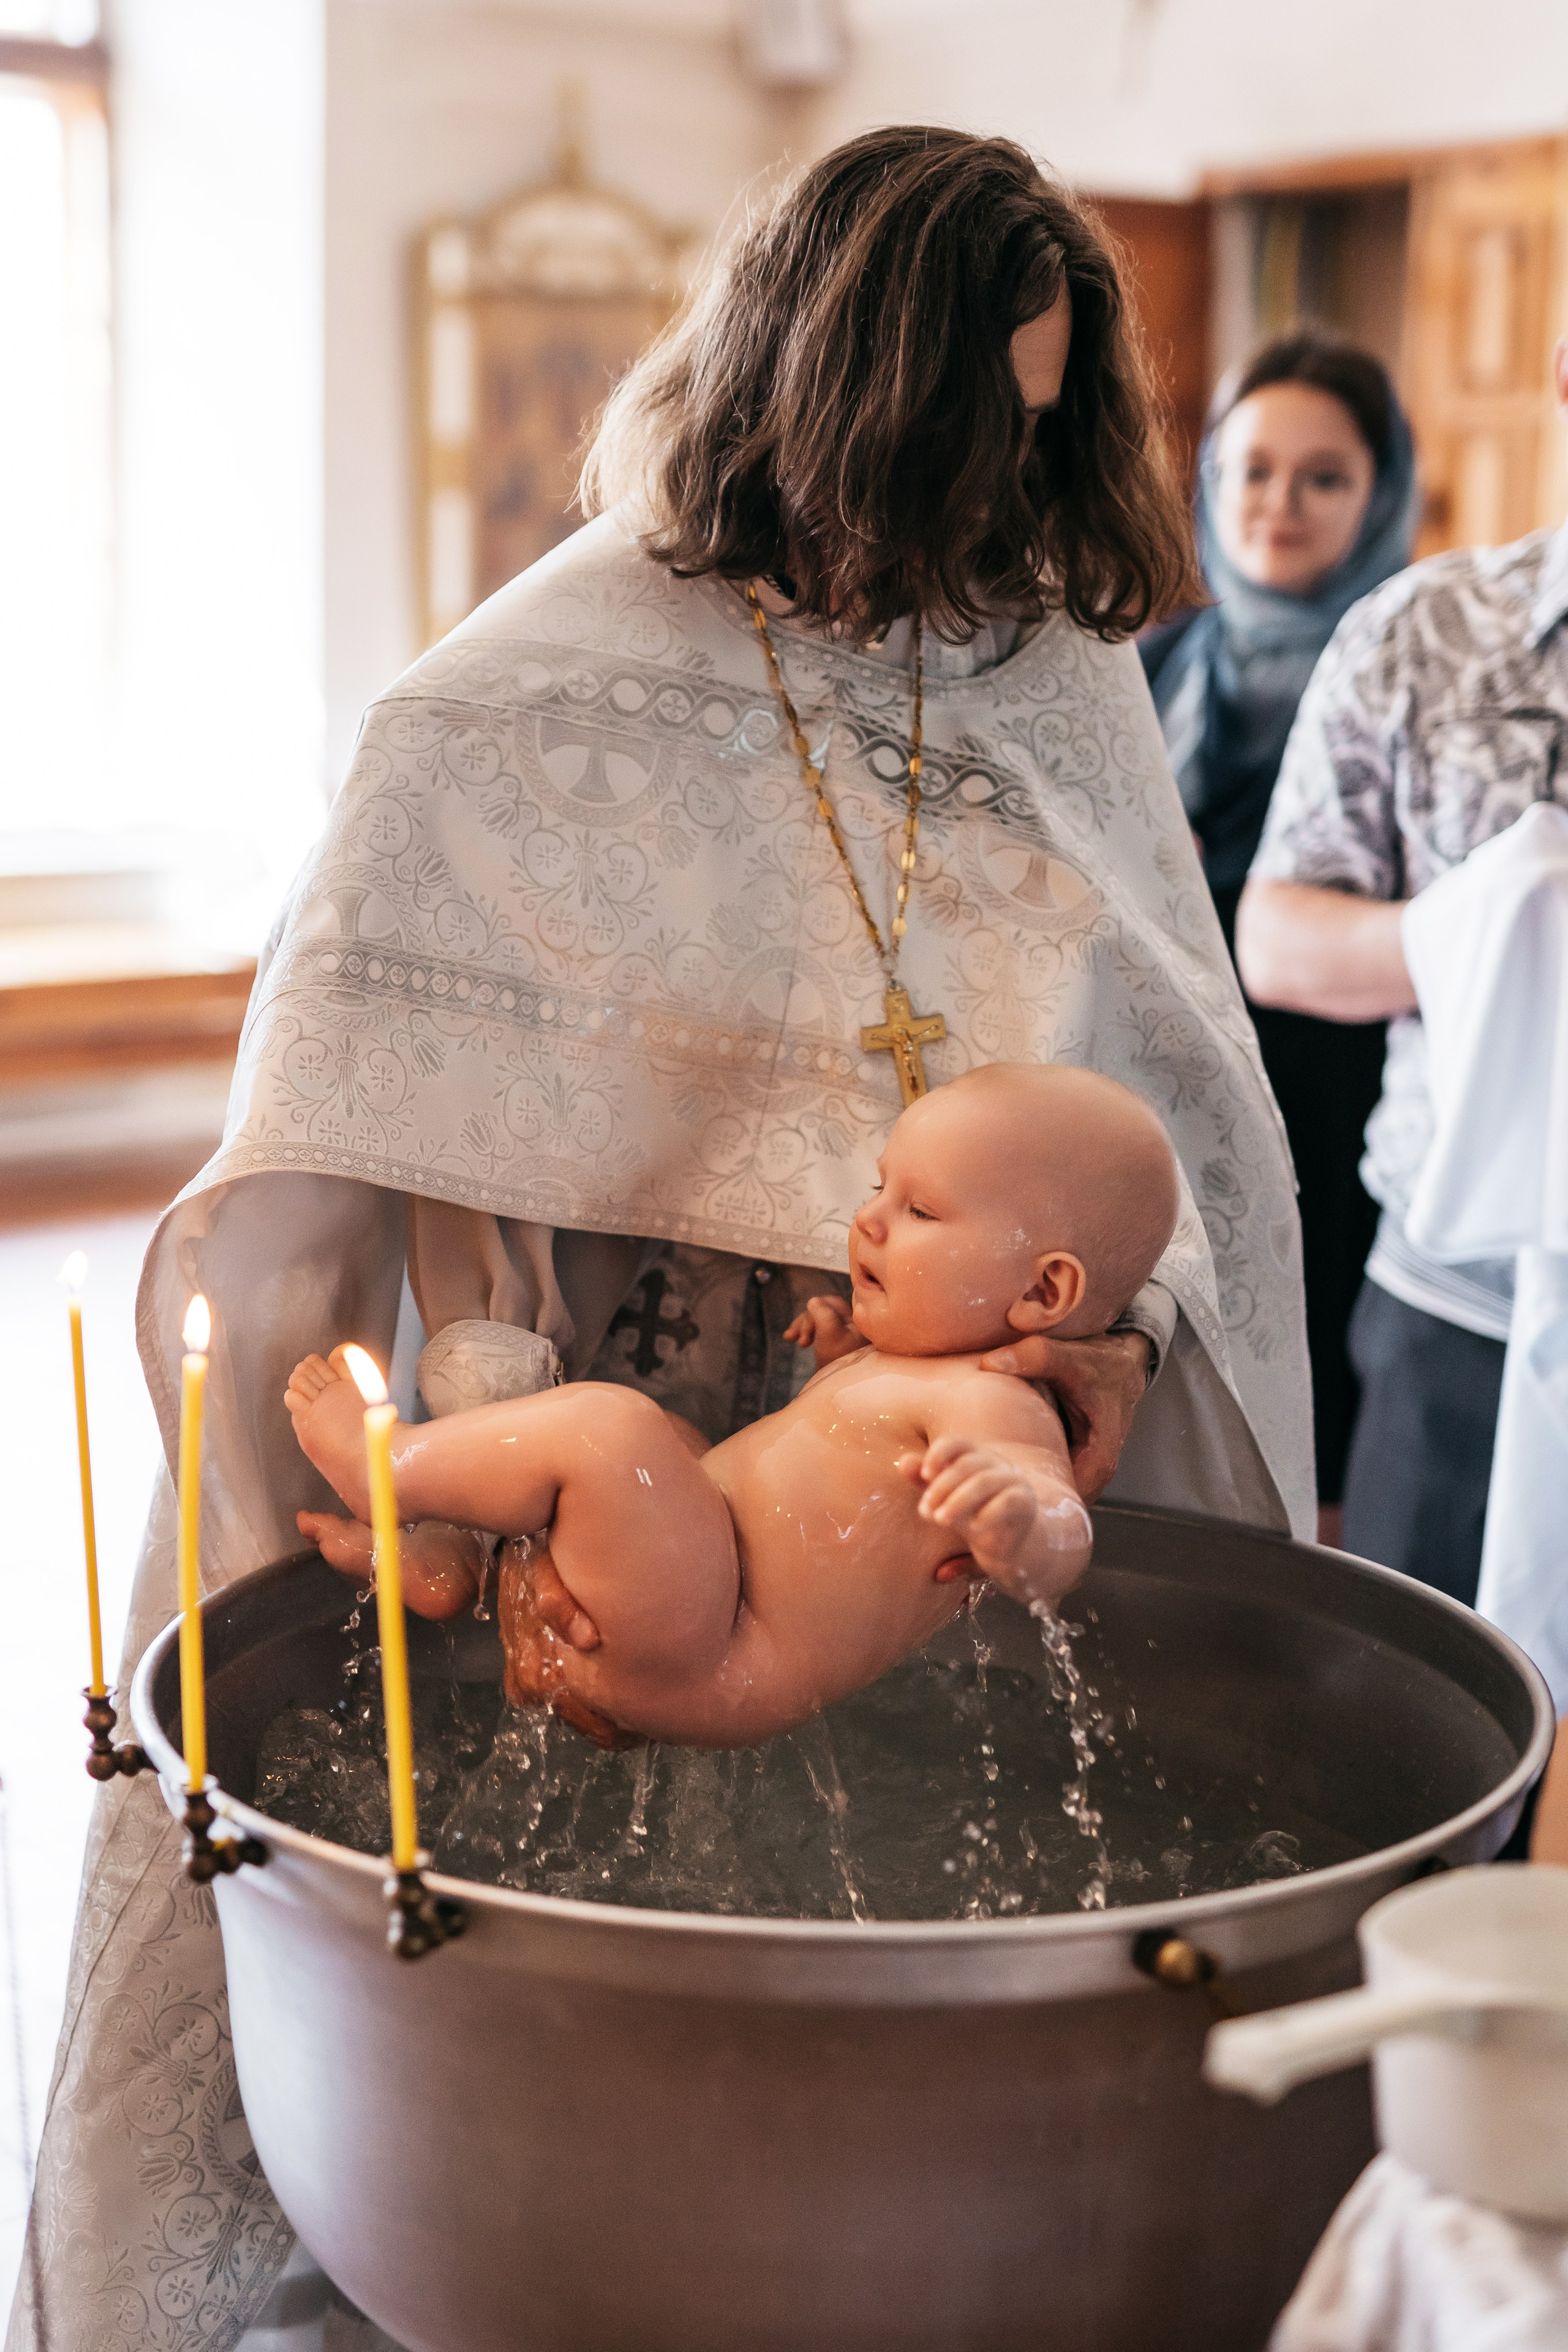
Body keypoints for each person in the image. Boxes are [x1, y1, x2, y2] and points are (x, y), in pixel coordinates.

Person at [10, 129, 1312, 2352]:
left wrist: (1106, 1337)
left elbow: (1176, 1100)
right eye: (952, 430)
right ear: (819, 387)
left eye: (1035, 427)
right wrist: (487, 1385)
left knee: (871, 2007)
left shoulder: (1057, 677)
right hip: (614, 1394)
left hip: (911, 1460)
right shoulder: (519, 691)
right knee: (544, 2005)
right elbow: (365, 1102)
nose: (991, 494)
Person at [287, 1066, 1179, 1747]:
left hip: (720, 1655)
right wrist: (844, 1354)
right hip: (696, 1611)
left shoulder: (1001, 1408)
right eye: (879, 1187)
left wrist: (1021, 1518)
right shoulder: (923, 1367)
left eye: (921, 1211)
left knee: (615, 1432)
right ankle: (455, 1563)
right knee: (666, 1433)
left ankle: (391, 1471)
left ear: (1045, 1290)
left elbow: (1062, 1528)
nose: (869, 1221)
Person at [1238, 331, 1568, 1611]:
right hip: (1456, 1296)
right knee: (1422, 1751)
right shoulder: (1430, 631)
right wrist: (1483, 931)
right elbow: (1272, 936)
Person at [1142, 328, 1418, 1539]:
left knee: (1338, 1434)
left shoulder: (1411, 680)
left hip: (1351, 1104)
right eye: (1251, 469)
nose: (1279, 504)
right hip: (1175, 1099)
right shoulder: (1147, 668)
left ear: (1379, 495)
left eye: (1322, 476)